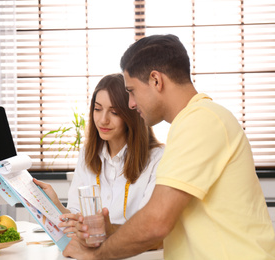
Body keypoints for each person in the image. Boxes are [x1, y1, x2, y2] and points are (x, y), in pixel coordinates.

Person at [62, 34, 275, 259]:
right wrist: (110, 230)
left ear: (156, 80)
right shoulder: (193, 122)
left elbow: (156, 223)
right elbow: (163, 229)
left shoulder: (201, 121)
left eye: (132, 91)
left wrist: (96, 256)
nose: (131, 103)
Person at [34, 73, 164, 242]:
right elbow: (76, 219)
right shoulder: (87, 155)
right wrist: (55, 204)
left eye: (114, 112)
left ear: (131, 114)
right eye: (97, 109)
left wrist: (108, 230)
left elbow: (151, 228)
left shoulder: (157, 158)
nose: (103, 120)